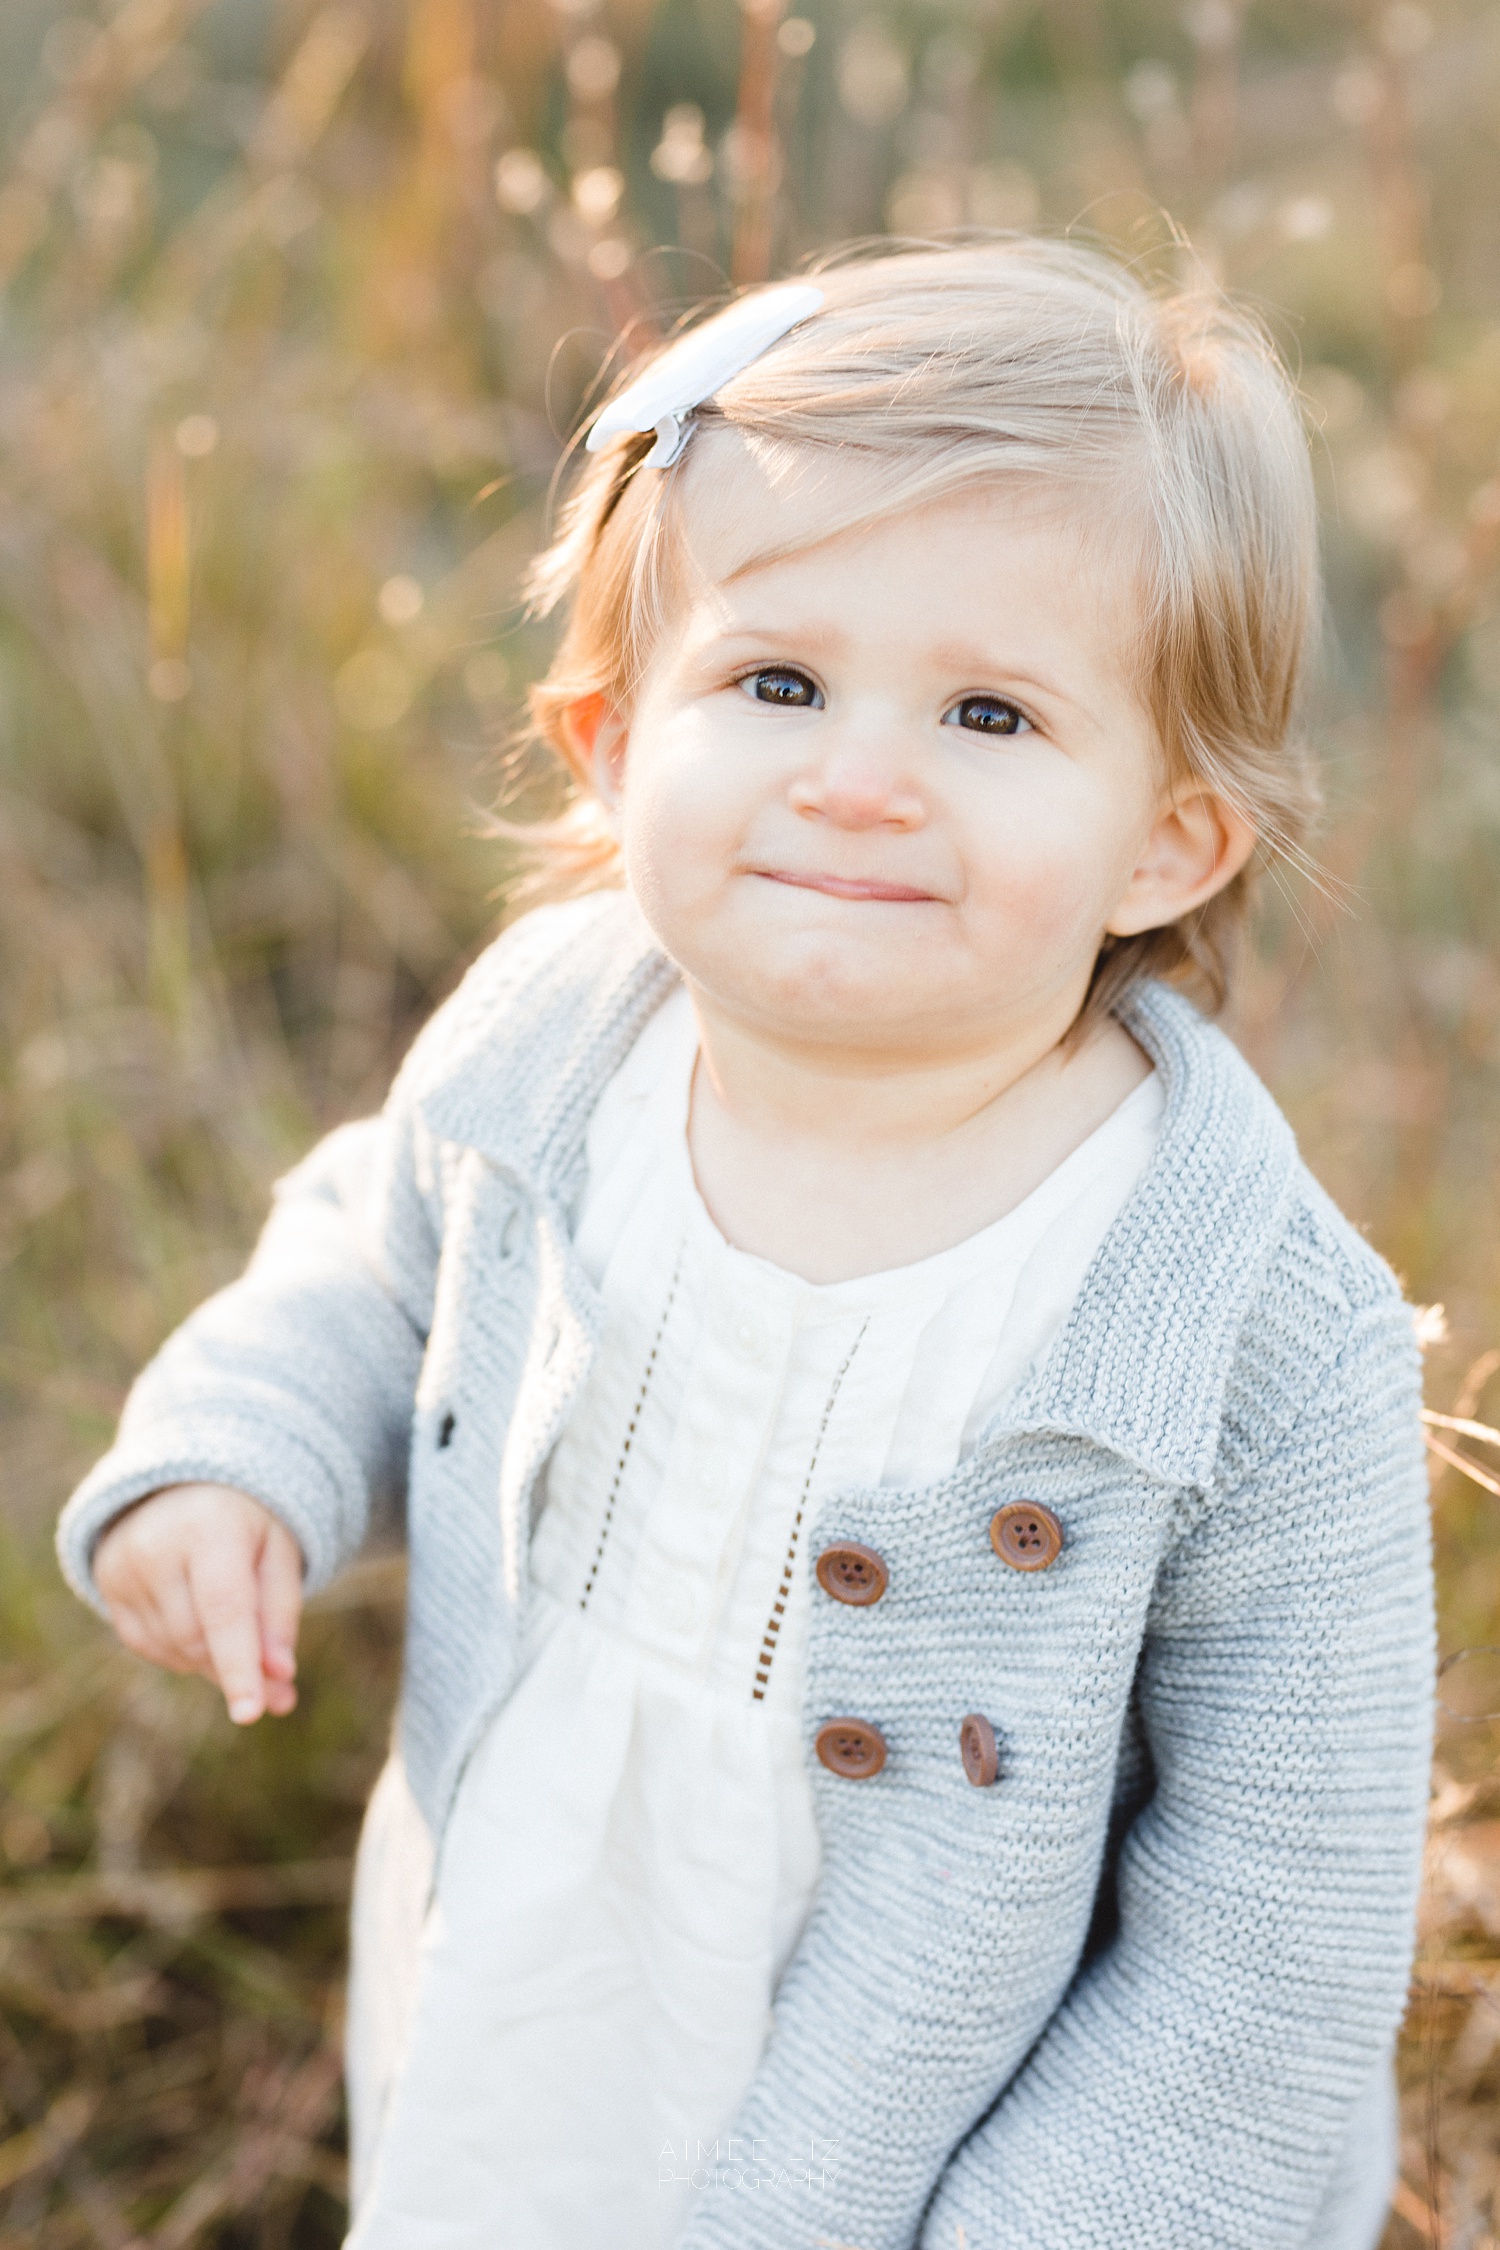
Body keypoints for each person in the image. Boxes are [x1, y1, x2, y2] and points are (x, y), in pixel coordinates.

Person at [57, 238, 1433, 2250]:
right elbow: (377, 1252)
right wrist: (235, 1448)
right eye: (776, 682)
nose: (860, 779)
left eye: (988, 711)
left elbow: (1274, 1918)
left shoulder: (1237, 1315)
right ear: (614, 742)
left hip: (958, 2139)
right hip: (539, 1958)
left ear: (1168, 838)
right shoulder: (556, 1043)